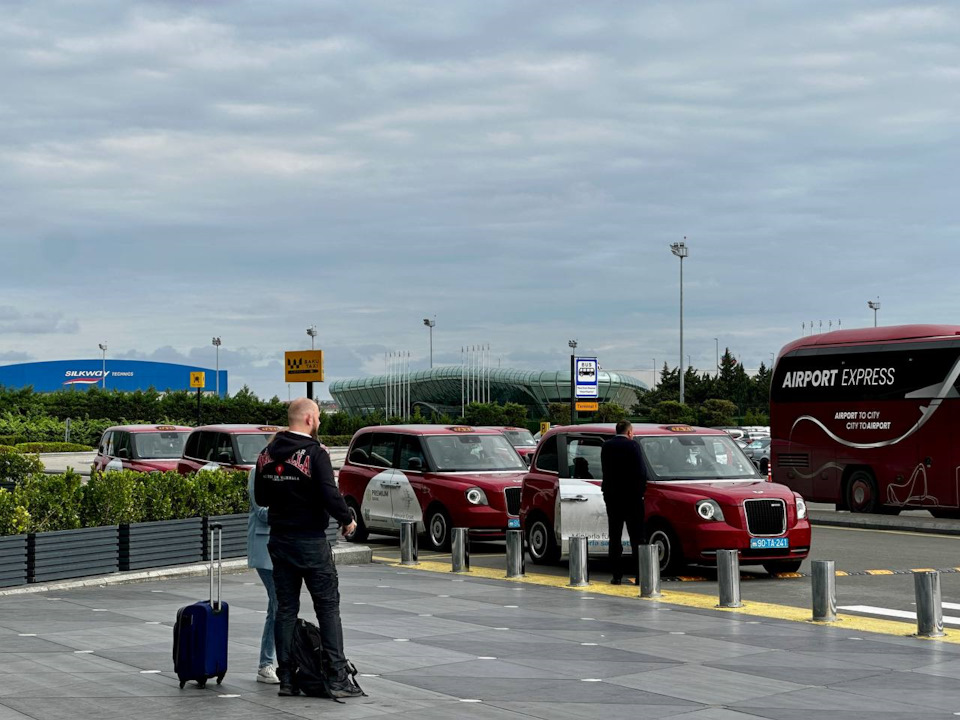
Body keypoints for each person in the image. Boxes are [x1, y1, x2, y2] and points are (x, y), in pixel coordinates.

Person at [254, 398, 360, 698]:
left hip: (279, 540)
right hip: (311, 541)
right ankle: (337, 675)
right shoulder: (316, 453)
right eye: (319, 419)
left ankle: (287, 678)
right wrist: (347, 519)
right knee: (327, 607)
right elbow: (329, 492)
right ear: (311, 419)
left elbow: (261, 497)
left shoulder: (265, 454)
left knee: (285, 609)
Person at [600, 420, 647, 585]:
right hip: (632, 498)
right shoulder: (633, 446)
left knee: (615, 535)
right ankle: (640, 575)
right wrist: (640, 493)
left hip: (612, 497)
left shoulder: (606, 446)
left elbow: (606, 470)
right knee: (637, 537)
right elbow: (641, 471)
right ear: (629, 432)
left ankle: (616, 575)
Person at [247, 464, 278, 684]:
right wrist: (291, 509)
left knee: (278, 606)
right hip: (265, 546)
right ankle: (265, 664)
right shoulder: (256, 473)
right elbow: (262, 511)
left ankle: (271, 662)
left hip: (285, 546)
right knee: (279, 604)